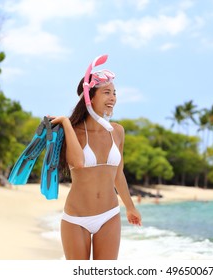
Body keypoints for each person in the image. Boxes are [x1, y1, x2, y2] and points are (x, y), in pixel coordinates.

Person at [49, 68, 142, 260]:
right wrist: (66, 123)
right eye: (106, 92)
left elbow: (118, 174)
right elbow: (78, 163)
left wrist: (130, 207)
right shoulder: (72, 130)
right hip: (76, 218)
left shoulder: (117, 131)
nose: (113, 98)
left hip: (109, 214)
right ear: (89, 98)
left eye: (114, 92)